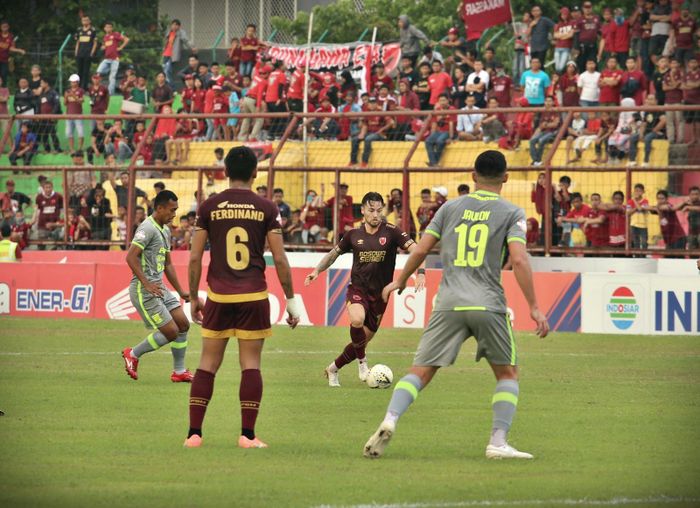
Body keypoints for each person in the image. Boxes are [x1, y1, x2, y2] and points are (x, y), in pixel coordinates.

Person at [363, 150, 549, 461]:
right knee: (507, 374)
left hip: (448, 302)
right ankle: (498, 442)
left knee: (419, 372)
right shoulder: (512, 212)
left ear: (473, 177)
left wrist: (399, 281)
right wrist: (533, 306)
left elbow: (422, 249)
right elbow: (518, 259)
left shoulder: (449, 208)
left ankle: (391, 419)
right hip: (487, 303)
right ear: (506, 177)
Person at [184, 146, 300, 449]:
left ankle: (194, 434)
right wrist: (292, 300)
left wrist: (194, 297)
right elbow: (280, 259)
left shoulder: (209, 206)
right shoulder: (266, 207)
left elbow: (195, 258)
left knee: (207, 363)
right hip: (252, 293)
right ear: (255, 173)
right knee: (250, 364)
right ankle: (247, 436)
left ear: (224, 172)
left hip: (218, 296)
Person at [305, 192, 424, 387]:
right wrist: (317, 270)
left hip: (380, 297)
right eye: (371, 210)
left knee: (360, 343)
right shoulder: (353, 235)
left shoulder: (392, 232)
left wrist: (421, 272)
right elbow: (333, 254)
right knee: (357, 320)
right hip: (358, 290)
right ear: (363, 210)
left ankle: (332, 369)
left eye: (379, 210)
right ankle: (363, 364)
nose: (376, 214)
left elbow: (417, 250)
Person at [121, 190, 194, 382]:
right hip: (143, 289)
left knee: (183, 324)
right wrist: (146, 283)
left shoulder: (165, 229)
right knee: (171, 331)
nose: (174, 214)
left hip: (159, 286)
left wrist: (180, 291)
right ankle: (133, 354)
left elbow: (168, 263)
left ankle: (179, 372)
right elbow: (130, 257)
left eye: (176, 210)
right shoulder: (147, 228)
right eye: (171, 210)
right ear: (159, 208)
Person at [349, 97, 394, 168]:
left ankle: (364, 162)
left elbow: (391, 122)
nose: (372, 105)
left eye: (374, 103)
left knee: (368, 139)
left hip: (379, 134)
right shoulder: (366, 112)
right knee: (355, 139)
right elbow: (363, 125)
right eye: (370, 103)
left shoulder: (381, 112)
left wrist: (381, 130)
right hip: (369, 133)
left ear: (376, 104)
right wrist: (362, 131)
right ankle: (353, 161)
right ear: (368, 105)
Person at [628, 94, 666, 167]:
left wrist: (654, 130)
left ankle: (646, 161)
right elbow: (644, 123)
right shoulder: (647, 111)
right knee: (633, 137)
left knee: (647, 138)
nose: (649, 101)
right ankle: (632, 161)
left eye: (651, 99)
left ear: (656, 101)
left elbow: (663, 120)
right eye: (648, 99)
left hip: (658, 133)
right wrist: (641, 133)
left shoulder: (659, 110)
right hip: (647, 132)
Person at [96, 21, 129, 95]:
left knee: (112, 76)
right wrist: (102, 47)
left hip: (114, 59)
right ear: (104, 28)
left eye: (110, 27)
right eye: (107, 27)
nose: (108, 28)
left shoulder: (115, 34)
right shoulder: (105, 37)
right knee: (98, 72)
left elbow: (127, 39)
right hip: (107, 58)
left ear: (112, 28)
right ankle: (96, 90)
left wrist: (121, 47)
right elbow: (105, 46)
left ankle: (110, 93)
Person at [162, 19, 195, 87]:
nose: (174, 26)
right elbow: (165, 42)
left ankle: (172, 87)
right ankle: (168, 86)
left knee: (167, 70)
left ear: (179, 26)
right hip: (165, 54)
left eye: (176, 25)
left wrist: (192, 47)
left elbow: (186, 40)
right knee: (165, 72)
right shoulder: (169, 32)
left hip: (172, 54)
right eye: (173, 24)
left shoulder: (181, 33)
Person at [529, 96, 560, 166]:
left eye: (550, 101)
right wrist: (534, 135)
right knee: (532, 140)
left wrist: (546, 125)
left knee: (541, 140)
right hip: (544, 132)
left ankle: (538, 160)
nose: (548, 103)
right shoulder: (543, 112)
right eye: (546, 101)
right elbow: (540, 126)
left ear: (553, 102)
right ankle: (535, 160)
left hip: (553, 132)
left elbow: (555, 124)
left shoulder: (556, 111)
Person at [426, 94, 456, 167]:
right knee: (428, 141)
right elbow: (434, 124)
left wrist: (451, 137)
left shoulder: (452, 109)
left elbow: (451, 124)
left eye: (444, 100)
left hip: (448, 131)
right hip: (438, 132)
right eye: (440, 101)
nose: (442, 102)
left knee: (439, 141)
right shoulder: (437, 110)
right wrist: (432, 135)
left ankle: (433, 162)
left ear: (448, 101)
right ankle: (434, 163)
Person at [33, 180, 63, 249]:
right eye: (46, 187)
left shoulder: (58, 196)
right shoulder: (39, 197)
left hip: (55, 226)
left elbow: (62, 209)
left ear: (52, 188)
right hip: (42, 225)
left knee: (57, 244)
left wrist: (59, 222)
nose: (48, 189)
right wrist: (34, 220)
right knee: (41, 244)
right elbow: (38, 210)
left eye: (50, 187)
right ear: (43, 188)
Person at [74, 15, 98, 90]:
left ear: (89, 21)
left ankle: (84, 87)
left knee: (86, 71)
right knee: (79, 71)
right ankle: (78, 87)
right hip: (80, 53)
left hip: (88, 53)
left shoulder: (93, 30)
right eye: (83, 20)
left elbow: (95, 43)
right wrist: (76, 52)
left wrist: (92, 53)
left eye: (86, 20)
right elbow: (78, 42)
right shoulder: (79, 30)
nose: (85, 22)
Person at [663, 58, 684, 143]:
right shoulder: (665, 75)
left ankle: (681, 139)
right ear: (670, 65)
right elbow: (664, 88)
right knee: (669, 122)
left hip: (678, 101)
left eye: (676, 63)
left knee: (680, 121)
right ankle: (671, 139)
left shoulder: (681, 74)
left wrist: (672, 77)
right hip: (668, 101)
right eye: (672, 63)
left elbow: (676, 84)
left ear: (678, 65)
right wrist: (673, 86)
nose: (674, 65)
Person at [575, 2, 601, 71]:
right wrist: (576, 47)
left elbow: (600, 33)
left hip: (593, 45)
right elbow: (576, 34)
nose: (587, 9)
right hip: (582, 46)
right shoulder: (580, 19)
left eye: (589, 7)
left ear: (591, 8)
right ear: (583, 9)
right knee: (581, 65)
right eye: (586, 8)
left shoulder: (596, 18)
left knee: (593, 64)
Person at [0, 21, 26, 85]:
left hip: (4, 60)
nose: (4, 28)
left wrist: (20, 50)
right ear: (0, 27)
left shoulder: (11, 36)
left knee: (4, 75)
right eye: (3, 27)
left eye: (6, 26)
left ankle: (3, 93)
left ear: (8, 27)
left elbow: (11, 48)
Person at [681, 57, 700, 144]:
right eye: (691, 62)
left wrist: (690, 84)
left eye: (694, 62)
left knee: (698, 121)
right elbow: (682, 86)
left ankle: (699, 139)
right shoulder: (687, 74)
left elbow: (698, 84)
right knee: (691, 121)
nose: (693, 64)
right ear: (688, 64)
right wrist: (694, 84)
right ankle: (694, 139)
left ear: (697, 63)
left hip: (698, 101)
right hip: (688, 101)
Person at [64, 74, 85, 153]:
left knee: (80, 133)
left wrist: (73, 96)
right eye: (71, 82)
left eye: (73, 82)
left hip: (78, 114)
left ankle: (80, 149)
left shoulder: (81, 91)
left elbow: (81, 101)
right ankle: (72, 149)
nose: (72, 83)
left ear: (77, 82)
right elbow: (65, 103)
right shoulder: (67, 91)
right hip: (69, 114)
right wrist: (66, 97)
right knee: (69, 133)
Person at [627, 183, 650, 251]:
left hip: (643, 225)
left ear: (643, 192)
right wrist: (636, 208)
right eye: (636, 190)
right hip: (633, 225)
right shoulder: (630, 201)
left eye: (639, 191)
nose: (637, 192)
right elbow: (628, 213)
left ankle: (643, 256)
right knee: (636, 242)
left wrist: (634, 200)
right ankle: (637, 256)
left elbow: (640, 209)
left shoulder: (645, 201)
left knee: (644, 242)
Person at [553, 7, 576, 74]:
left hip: (566, 47)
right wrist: (566, 35)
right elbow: (555, 35)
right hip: (557, 47)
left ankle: (560, 80)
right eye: (562, 14)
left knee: (561, 67)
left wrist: (561, 36)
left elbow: (571, 35)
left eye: (565, 14)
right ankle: (559, 81)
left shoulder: (572, 22)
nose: (564, 16)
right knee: (557, 67)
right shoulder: (559, 24)